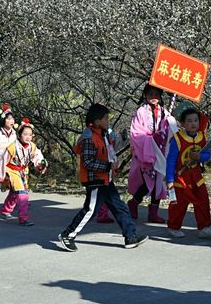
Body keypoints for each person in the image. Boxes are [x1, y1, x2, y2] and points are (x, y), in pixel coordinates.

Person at [58, 103, 148, 251]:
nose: (108, 121)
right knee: (90, 210)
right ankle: (68, 235)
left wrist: (124, 139)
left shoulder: (104, 134)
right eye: (106, 118)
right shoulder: (88, 137)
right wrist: (107, 166)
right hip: (95, 181)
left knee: (120, 208)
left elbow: (112, 147)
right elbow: (87, 162)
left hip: (107, 180)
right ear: (97, 120)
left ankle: (130, 236)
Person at [165, 108, 211, 239]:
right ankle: (173, 227)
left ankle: (204, 227)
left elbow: (207, 154)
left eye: (195, 120)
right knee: (179, 204)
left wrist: (200, 157)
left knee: (203, 200)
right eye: (189, 121)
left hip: (196, 177)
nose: (193, 123)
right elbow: (171, 160)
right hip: (180, 178)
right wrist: (170, 179)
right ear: (182, 124)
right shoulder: (177, 139)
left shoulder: (202, 137)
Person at [128, 84, 169, 223]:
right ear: (145, 95)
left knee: (159, 182)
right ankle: (134, 202)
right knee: (148, 181)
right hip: (146, 152)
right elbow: (136, 132)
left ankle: (154, 212)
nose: (153, 97)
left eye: (156, 94)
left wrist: (164, 132)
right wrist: (150, 139)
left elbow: (170, 128)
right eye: (150, 94)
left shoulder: (164, 112)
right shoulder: (141, 111)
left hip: (160, 152)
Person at [0, 118, 47, 226]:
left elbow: (38, 157)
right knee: (23, 195)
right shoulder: (12, 147)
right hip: (12, 170)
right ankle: (23, 218)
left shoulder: (32, 146)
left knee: (14, 193)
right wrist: (0, 177)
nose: (27, 137)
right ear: (19, 135)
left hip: (23, 171)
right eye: (25, 134)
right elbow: (2, 161)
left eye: (30, 135)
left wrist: (40, 165)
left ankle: (5, 210)